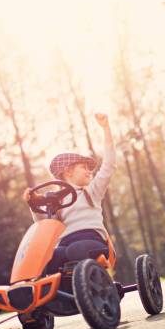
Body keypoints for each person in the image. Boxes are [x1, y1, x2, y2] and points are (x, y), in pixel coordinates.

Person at [23, 113, 116, 274]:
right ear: (68, 172)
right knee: (51, 256)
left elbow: (109, 164)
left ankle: (94, 281)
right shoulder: (55, 200)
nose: (89, 171)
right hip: (66, 244)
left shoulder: (92, 191)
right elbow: (44, 223)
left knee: (75, 250)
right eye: (84, 167)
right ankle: (59, 295)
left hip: (93, 241)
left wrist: (106, 128)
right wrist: (34, 204)